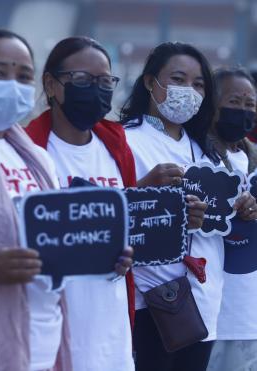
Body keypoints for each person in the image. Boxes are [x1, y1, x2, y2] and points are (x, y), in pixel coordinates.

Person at [26, 36, 135, 371]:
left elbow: (127, 221)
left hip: (112, 324)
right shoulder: (30, 151)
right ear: (51, 84)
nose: (97, 90)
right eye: (83, 81)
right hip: (53, 324)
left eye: (105, 81)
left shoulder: (116, 147)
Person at [0, 28, 67, 371]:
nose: (12, 84)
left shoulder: (38, 159)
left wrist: (102, 254)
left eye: (23, 76)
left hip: (39, 349)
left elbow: (60, 238)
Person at [120, 42, 226, 371]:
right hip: (152, 300)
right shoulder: (125, 140)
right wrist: (146, 192)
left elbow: (223, 215)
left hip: (204, 299)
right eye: (178, 79)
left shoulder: (208, 152)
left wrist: (240, 207)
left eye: (198, 84)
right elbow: (107, 211)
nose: (189, 91)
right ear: (150, 82)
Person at [207, 67, 257, 371]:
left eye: (250, 104)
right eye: (233, 101)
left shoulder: (253, 162)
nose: (243, 111)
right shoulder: (194, 158)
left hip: (250, 317)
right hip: (213, 319)